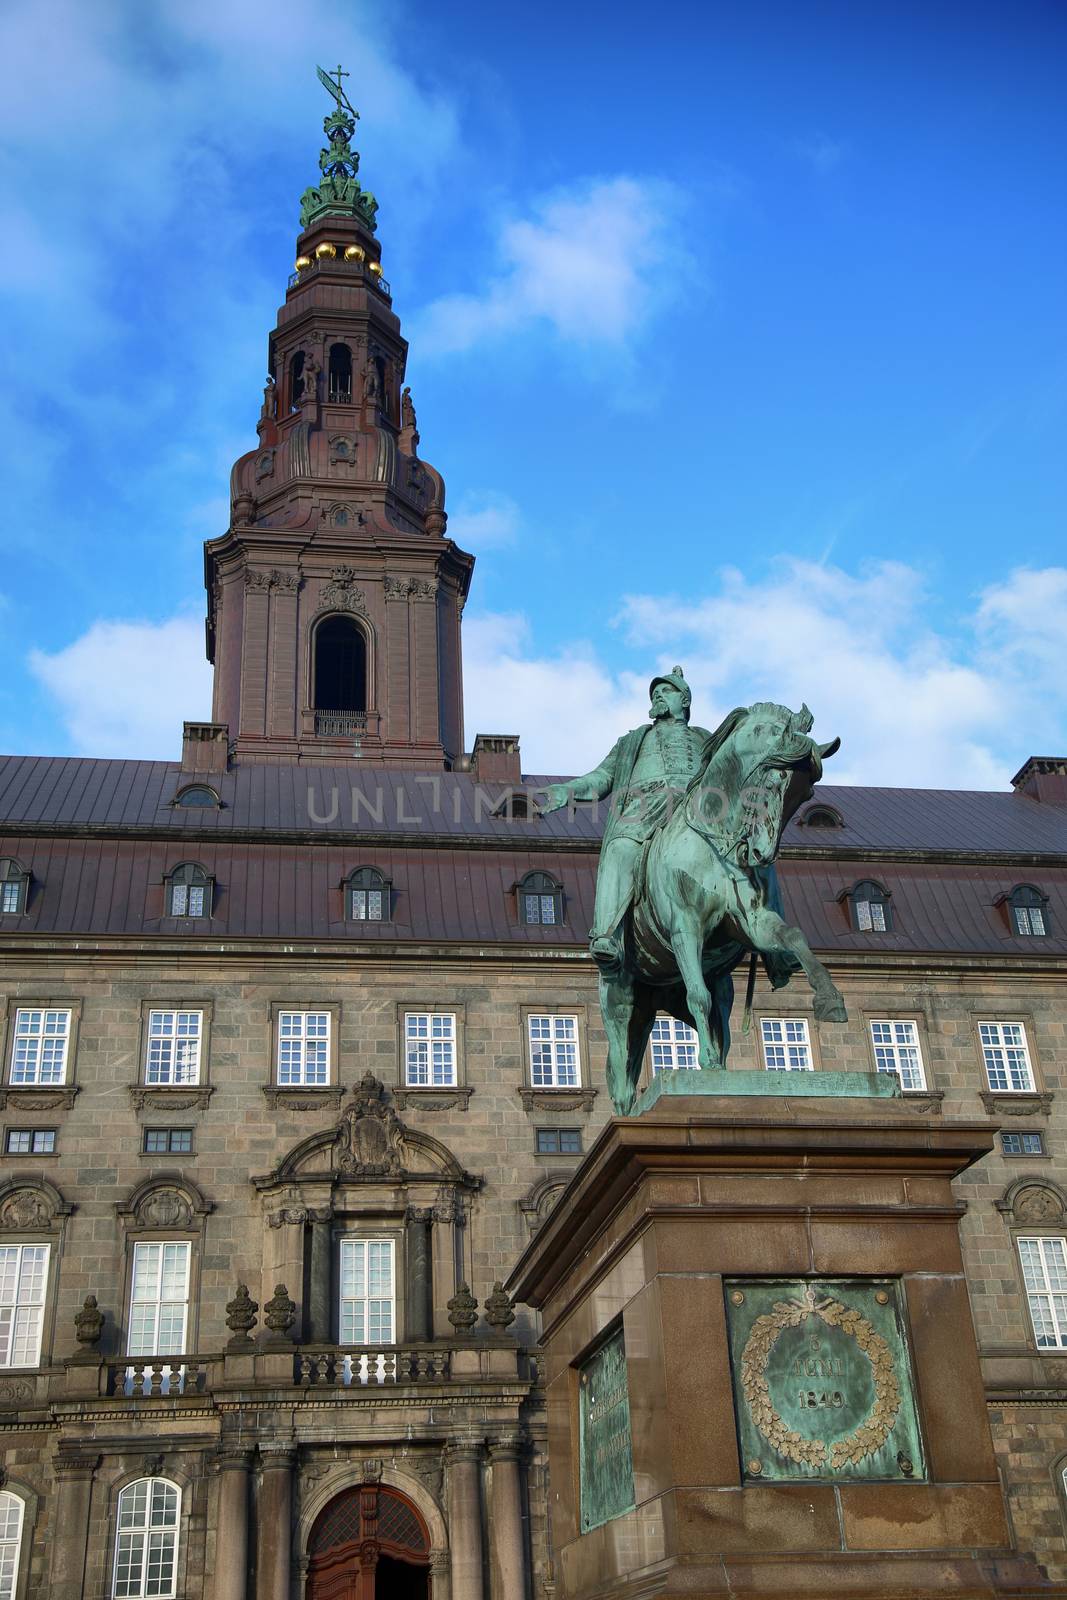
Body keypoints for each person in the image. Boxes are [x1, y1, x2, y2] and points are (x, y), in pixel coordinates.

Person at [540, 667, 714, 964]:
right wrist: (567, 791)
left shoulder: (707, 739)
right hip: (646, 808)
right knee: (620, 849)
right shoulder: (633, 741)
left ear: (684, 700)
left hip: (700, 809)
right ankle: (607, 935)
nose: (658, 695)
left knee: (751, 850)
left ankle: (773, 942)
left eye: (666, 691)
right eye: (655, 692)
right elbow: (602, 777)